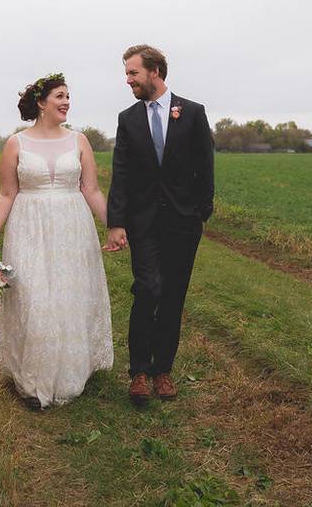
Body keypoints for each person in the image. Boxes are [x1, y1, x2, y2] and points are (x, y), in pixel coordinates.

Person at [0, 73, 113, 409]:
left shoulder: (79, 141)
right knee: (34, 296)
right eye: (59, 96)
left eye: (68, 96)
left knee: (70, 296)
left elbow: (92, 190)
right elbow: (7, 192)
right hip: (29, 226)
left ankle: (69, 371)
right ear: (41, 103)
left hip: (72, 227)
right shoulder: (17, 143)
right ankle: (35, 381)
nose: (67, 101)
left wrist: (115, 226)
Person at [104, 45, 214, 404]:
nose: (128, 80)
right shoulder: (128, 119)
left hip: (183, 222)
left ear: (155, 72)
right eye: (127, 73)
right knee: (148, 288)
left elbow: (205, 164)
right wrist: (116, 222)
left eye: (133, 73)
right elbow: (120, 172)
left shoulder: (193, 113)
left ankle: (163, 371)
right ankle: (138, 371)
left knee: (172, 296)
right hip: (144, 221)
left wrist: (201, 211)